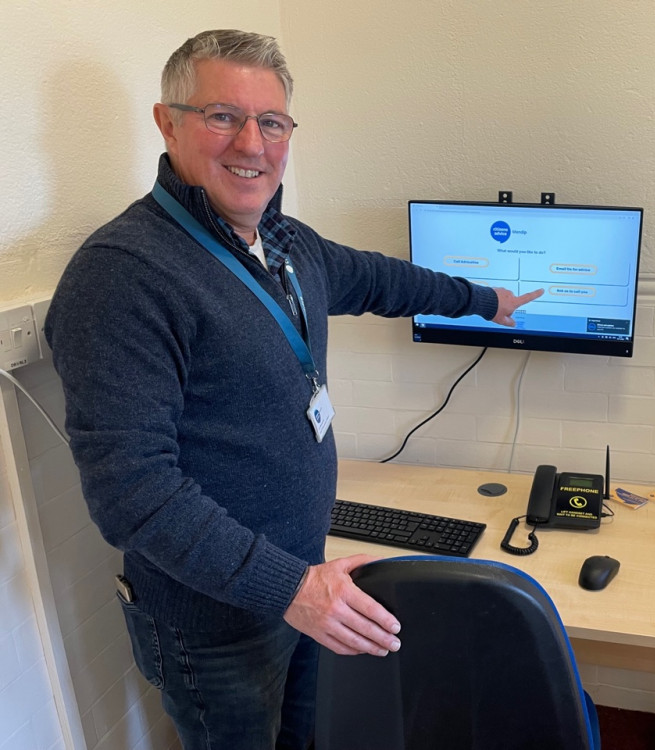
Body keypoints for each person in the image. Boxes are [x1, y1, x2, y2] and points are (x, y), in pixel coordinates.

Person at [45, 29, 541, 750]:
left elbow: (382, 280)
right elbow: (132, 493)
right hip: (218, 625)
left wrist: (481, 298)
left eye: (271, 123)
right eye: (222, 116)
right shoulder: (123, 275)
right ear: (167, 121)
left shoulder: (285, 243)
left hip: (304, 583)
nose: (252, 143)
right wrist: (292, 591)